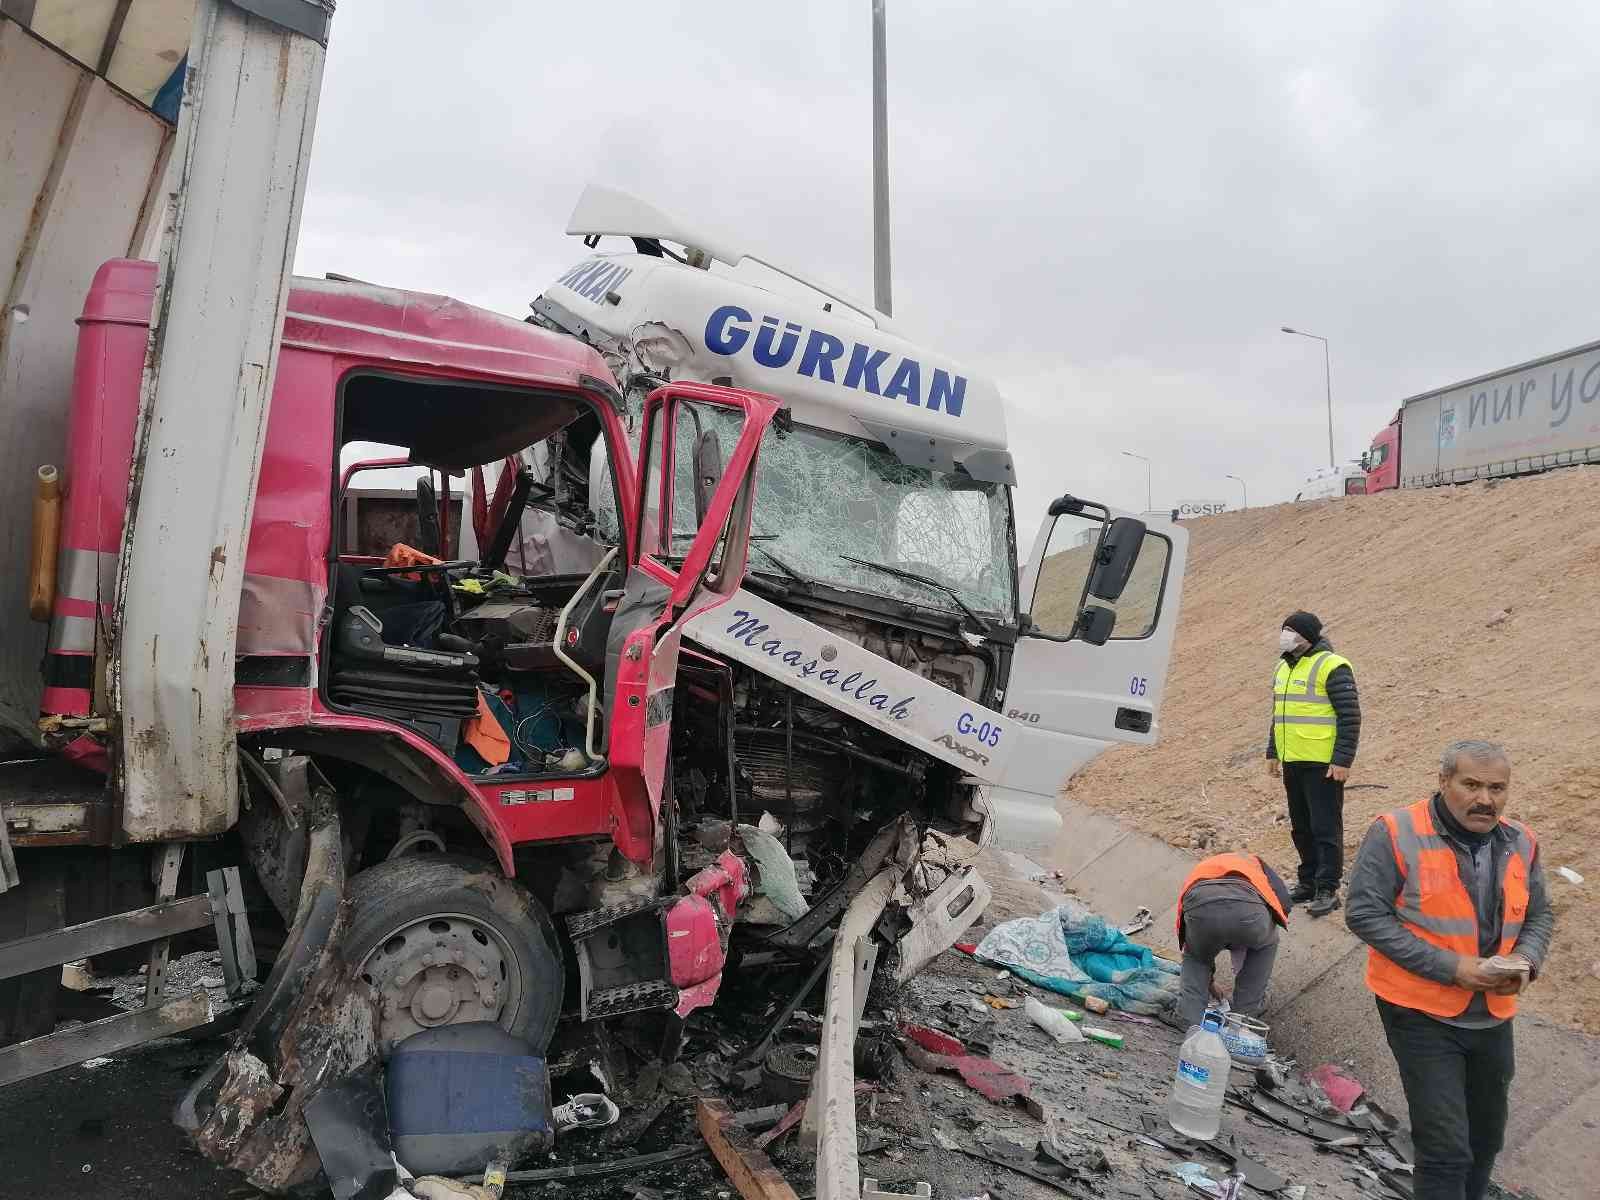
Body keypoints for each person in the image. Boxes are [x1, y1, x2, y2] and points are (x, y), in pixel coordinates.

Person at [1345, 740, 1554, 1200]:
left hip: (1493, 1012)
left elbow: (1539, 915)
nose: (1486, 799)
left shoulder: (1522, 841)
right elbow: (1364, 914)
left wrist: (1526, 960)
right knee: (1444, 1149)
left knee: (1485, 1141)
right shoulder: (1396, 831)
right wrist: (1451, 967)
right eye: (1472, 785)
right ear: (1444, 782)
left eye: (1497, 788)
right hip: (1419, 1011)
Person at [1267, 610, 1360, 916]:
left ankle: (1327, 888)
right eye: (1285, 630)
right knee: (1301, 827)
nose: (1286, 635)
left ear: (1308, 635)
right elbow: (1280, 713)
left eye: (1292, 630)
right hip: (1293, 759)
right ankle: (1307, 881)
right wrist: (1273, 752)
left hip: (1323, 764)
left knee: (1325, 827)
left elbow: (1350, 716)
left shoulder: (1332, 665)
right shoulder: (1283, 666)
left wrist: (1342, 759)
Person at [1174, 852, 1292, 1029]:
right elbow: (1284, 904)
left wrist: (1208, 981)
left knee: (1195, 957)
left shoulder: (1204, 867)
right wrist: (1257, 935)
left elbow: (1185, 932)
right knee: (1266, 943)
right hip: (1249, 907)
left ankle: (1189, 1019)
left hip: (1199, 906)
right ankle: (1244, 1017)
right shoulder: (1256, 862)